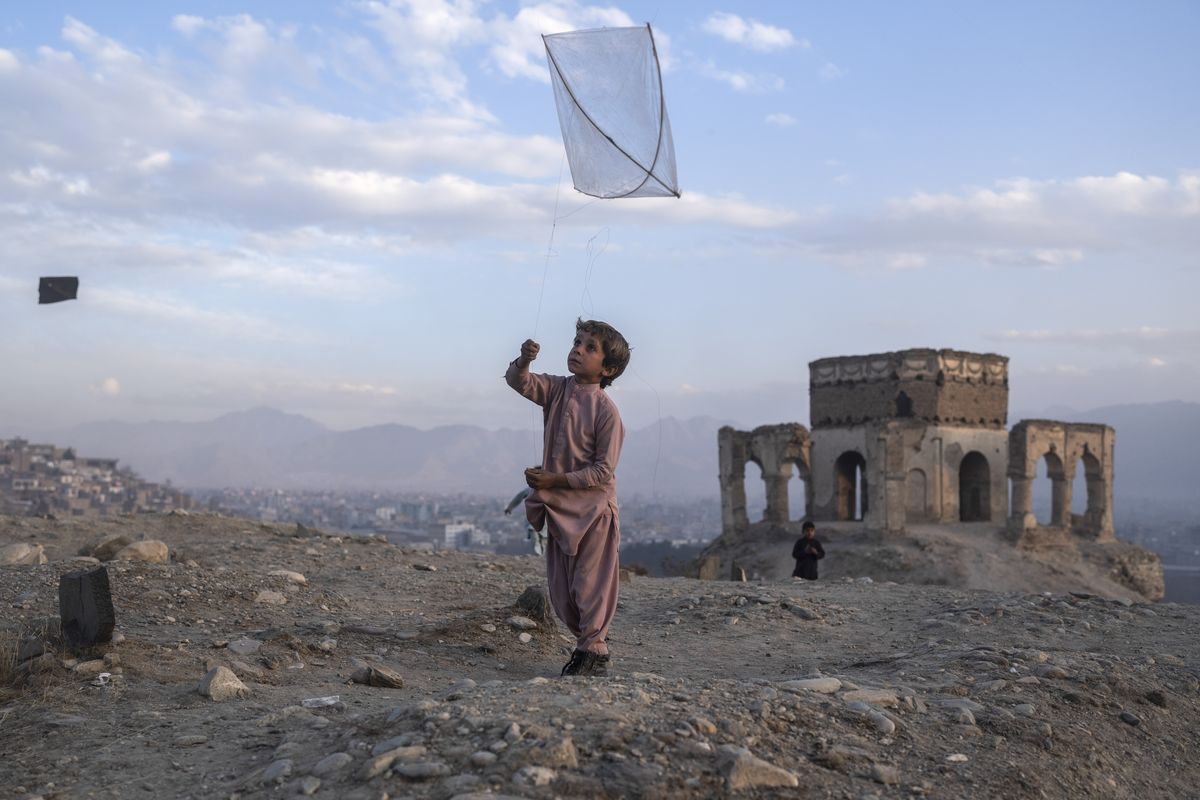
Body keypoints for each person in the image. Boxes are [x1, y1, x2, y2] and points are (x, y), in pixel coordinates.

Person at [505, 319, 630, 677]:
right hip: (560, 509)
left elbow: (602, 471)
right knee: (561, 589)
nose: (577, 349)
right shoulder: (558, 389)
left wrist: (555, 479)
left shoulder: (606, 412)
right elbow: (520, 382)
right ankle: (586, 642)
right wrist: (524, 360)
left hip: (594, 512)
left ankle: (594, 650)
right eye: (577, 342)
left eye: (590, 347)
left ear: (608, 369)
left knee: (590, 583)